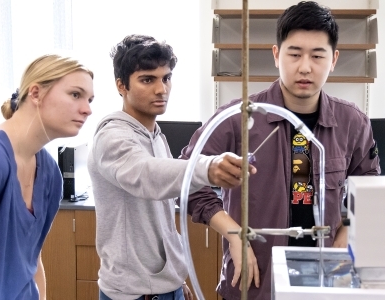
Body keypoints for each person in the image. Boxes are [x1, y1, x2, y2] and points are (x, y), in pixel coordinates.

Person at [180, 1, 381, 300]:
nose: (305, 67)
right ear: (276, 55)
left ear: (334, 59)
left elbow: (370, 187)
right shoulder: (238, 118)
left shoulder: (351, 122)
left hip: (324, 285)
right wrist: (234, 234)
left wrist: (348, 230)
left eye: (317, 55)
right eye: (295, 54)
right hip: (253, 284)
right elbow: (185, 180)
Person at [87, 34, 256, 300]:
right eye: (147, 79)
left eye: (166, 78)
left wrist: (175, 279)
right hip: (134, 294)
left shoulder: (155, 135)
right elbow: (146, 175)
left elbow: (161, 220)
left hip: (165, 288)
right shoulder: (112, 137)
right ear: (121, 85)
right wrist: (207, 167)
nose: (161, 89)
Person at [0, 54, 94, 300]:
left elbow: (32, 259)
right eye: (75, 95)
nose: (87, 109)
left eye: (89, 99)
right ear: (35, 93)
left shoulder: (50, 174)